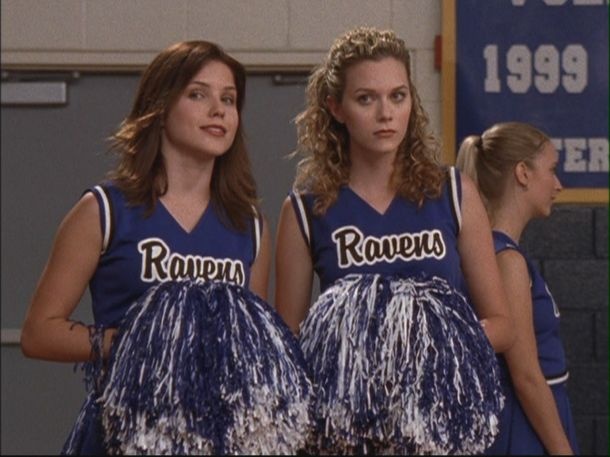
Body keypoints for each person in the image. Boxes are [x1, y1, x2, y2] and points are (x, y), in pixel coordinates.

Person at [20, 40, 311, 455]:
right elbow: (38, 332)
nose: (219, 110)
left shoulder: (250, 226)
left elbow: (249, 347)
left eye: (228, 99)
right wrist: (144, 343)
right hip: (125, 433)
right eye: (198, 94)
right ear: (160, 107)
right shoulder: (103, 210)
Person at [274, 26, 513, 455]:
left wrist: (425, 349)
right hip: (353, 435)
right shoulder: (305, 210)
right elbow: (289, 344)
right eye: (366, 99)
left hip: (441, 427)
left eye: (397, 96)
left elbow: (501, 323)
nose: (386, 113)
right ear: (336, 107)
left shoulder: (454, 193)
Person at [456, 121, 579, 455]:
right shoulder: (505, 259)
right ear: (522, 173)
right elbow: (525, 375)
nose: (558, 184)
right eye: (551, 170)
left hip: (535, 415)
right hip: (522, 424)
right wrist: (561, 449)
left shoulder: (500, 252)